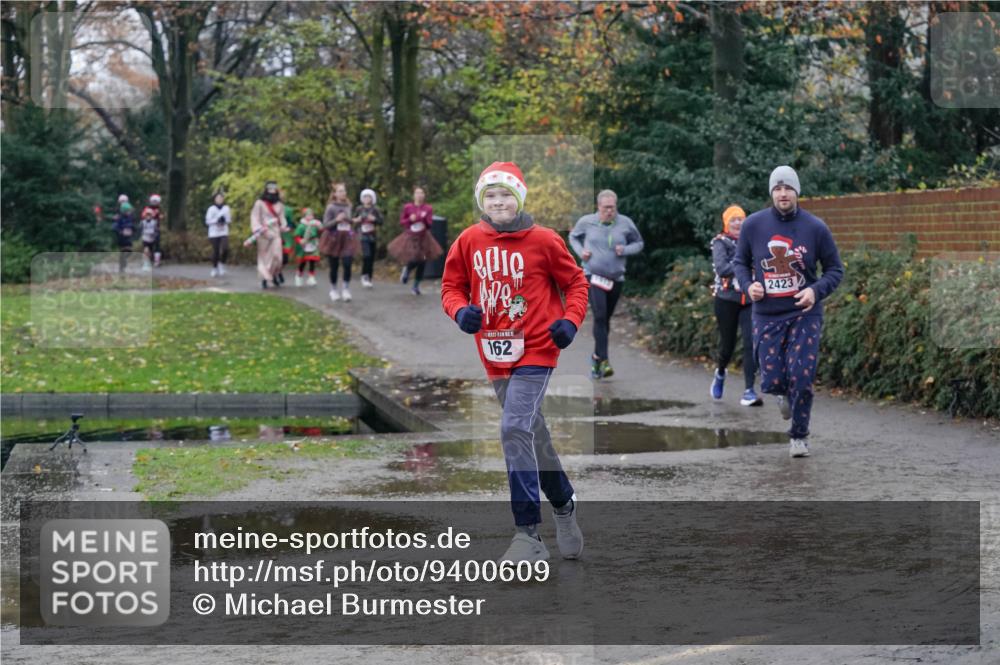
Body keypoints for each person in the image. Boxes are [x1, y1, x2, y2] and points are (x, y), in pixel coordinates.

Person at [441, 161, 589, 563]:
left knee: (511, 428)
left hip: (538, 348)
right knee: (530, 433)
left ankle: (527, 534)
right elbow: (452, 286)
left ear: (519, 198)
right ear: (482, 202)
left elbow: (576, 282)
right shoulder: (469, 240)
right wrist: (459, 313)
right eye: (490, 195)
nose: (498, 201)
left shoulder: (543, 240)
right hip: (494, 352)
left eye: (506, 194)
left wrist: (570, 322)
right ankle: (564, 503)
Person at [733, 166, 844, 458]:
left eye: (788, 188)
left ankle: (799, 436)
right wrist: (748, 286)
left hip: (804, 313)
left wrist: (815, 291)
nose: (783, 194)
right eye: (778, 189)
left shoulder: (815, 227)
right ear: (772, 193)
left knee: (802, 376)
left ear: (797, 192)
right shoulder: (753, 225)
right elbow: (740, 262)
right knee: (772, 380)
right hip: (767, 314)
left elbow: (835, 270)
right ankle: (781, 394)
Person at [569, 190, 644, 379]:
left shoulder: (625, 223)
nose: (610, 211)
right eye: (606, 208)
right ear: (598, 207)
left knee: (605, 320)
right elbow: (573, 237)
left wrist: (625, 249)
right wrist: (581, 252)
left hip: (616, 278)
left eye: (613, 207)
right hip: (592, 275)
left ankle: (596, 357)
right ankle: (604, 360)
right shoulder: (587, 221)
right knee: (600, 315)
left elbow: (639, 243)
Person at [710, 205, 763, 406]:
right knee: (728, 345)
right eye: (733, 220)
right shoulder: (719, 242)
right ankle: (721, 372)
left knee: (751, 343)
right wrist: (743, 264)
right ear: (726, 223)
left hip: (749, 299)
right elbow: (722, 268)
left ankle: (749, 390)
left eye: (741, 219)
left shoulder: (752, 241)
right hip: (726, 299)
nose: (737, 223)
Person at [388, 185, 442, 295]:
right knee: (414, 257)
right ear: (413, 195)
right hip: (411, 236)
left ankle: (416, 286)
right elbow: (402, 222)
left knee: (422, 261)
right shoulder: (408, 207)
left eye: (421, 193)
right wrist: (410, 219)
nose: (419, 195)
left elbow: (430, 224)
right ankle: (407, 269)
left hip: (424, 237)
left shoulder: (428, 208)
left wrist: (424, 219)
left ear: (424, 195)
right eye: (417, 193)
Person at [320, 182, 359, 302]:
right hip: (333, 239)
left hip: (347, 238)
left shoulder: (348, 206)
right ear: (335, 194)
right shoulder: (331, 207)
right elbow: (325, 225)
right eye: (340, 191)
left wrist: (354, 221)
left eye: (344, 190)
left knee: (347, 264)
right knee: (334, 266)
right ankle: (333, 290)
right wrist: (336, 220)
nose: (343, 193)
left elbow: (347, 220)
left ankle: (346, 289)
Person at [249, 180, 287, 289]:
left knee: (277, 256)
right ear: (266, 190)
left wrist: (284, 225)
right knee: (264, 257)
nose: (272, 190)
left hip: (275, 232)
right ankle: (264, 278)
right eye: (270, 188)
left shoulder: (280, 204)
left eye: (274, 188)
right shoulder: (259, 203)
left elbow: (282, 218)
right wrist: (257, 228)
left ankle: (274, 273)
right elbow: (255, 217)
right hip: (263, 233)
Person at [354, 188, 384, 288]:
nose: (367, 199)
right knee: (366, 255)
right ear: (362, 198)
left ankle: (369, 278)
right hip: (362, 235)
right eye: (365, 197)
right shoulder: (359, 209)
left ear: (372, 199)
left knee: (371, 258)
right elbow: (353, 220)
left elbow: (381, 221)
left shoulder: (376, 209)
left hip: (372, 236)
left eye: (369, 197)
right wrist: (357, 220)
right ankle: (364, 276)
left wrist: (374, 219)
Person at [293, 208, 322, 287]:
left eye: (311, 215)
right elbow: (296, 235)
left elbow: (319, 231)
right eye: (308, 215)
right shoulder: (301, 226)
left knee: (312, 260)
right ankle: (299, 275)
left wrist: (319, 228)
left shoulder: (314, 225)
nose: (310, 217)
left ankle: (311, 277)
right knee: (303, 262)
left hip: (312, 244)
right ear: (304, 216)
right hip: (304, 245)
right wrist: (300, 241)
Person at [204, 192, 231, 277]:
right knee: (216, 251)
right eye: (218, 198)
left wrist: (224, 220)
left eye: (221, 198)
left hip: (223, 232)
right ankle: (214, 268)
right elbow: (207, 221)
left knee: (225, 248)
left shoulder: (226, 208)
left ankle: (222, 264)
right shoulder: (211, 209)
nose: (219, 200)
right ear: (215, 199)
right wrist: (216, 220)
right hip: (214, 232)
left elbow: (229, 219)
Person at [112, 201, 137, 273]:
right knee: (123, 252)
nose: (130, 212)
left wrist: (133, 229)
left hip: (128, 237)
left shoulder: (130, 218)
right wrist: (120, 231)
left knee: (129, 251)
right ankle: (121, 267)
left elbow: (132, 225)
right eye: (128, 211)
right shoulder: (119, 218)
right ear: (124, 211)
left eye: (130, 211)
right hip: (122, 238)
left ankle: (124, 262)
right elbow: (114, 227)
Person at [141, 194, 163, 267]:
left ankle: (157, 261)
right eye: (153, 201)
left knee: (157, 245)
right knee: (147, 247)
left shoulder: (159, 209)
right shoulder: (147, 209)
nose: (154, 203)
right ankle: (146, 261)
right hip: (147, 231)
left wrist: (158, 215)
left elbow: (162, 217)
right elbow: (143, 216)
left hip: (156, 230)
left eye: (156, 201)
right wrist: (152, 214)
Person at [139, 207, 159, 272]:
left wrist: (155, 235)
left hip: (152, 238)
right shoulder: (143, 222)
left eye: (149, 215)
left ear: (151, 215)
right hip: (145, 238)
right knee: (146, 250)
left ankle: (149, 262)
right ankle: (145, 263)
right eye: (147, 215)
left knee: (150, 251)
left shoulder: (154, 222)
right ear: (145, 215)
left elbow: (156, 230)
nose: (148, 216)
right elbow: (140, 229)